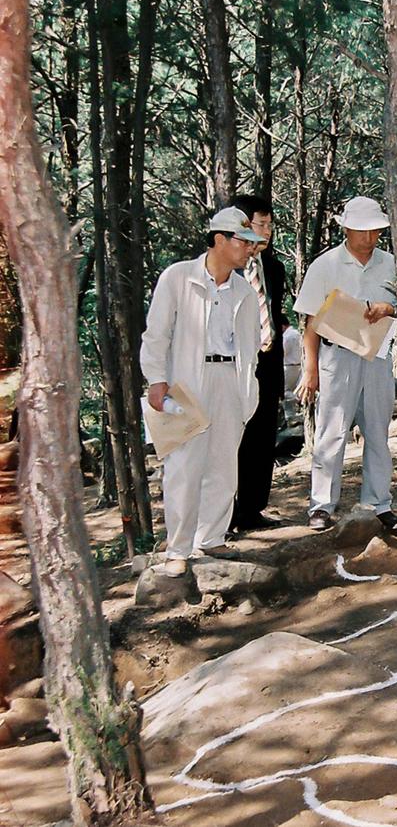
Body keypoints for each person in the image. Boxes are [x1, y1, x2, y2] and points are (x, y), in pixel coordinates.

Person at [140, 208, 266, 577]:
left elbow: (251, 342)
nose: (248, 250)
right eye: (242, 242)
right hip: (186, 381)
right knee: (183, 465)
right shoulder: (178, 277)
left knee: (223, 463)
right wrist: (156, 379)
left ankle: (210, 537)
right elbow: (157, 333)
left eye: (251, 244)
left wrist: (248, 386)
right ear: (219, 240)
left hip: (230, 377)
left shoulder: (243, 289)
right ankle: (177, 547)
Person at [294, 197, 397, 532]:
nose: (369, 238)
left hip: (378, 354)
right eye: (362, 230)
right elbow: (310, 320)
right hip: (337, 355)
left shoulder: (391, 264)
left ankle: (378, 502)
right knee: (332, 430)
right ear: (346, 228)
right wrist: (310, 369)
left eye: (375, 231)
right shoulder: (325, 265)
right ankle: (322, 505)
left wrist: (388, 308)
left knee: (378, 430)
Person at [228, 194, 287, 533]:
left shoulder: (274, 268)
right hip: (233, 365)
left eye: (269, 225)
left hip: (267, 363)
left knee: (262, 437)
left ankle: (252, 509)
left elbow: (276, 317)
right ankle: (224, 514)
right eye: (260, 224)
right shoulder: (226, 269)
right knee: (231, 439)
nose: (266, 231)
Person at [281, 316, 302, 421]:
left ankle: (299, 399)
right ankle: (291, 415)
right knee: (291, 390)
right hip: (299, 365)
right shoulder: (297, 333)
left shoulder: (287, 336)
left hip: (289, 367)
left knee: (284, 391)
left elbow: (283, 352)